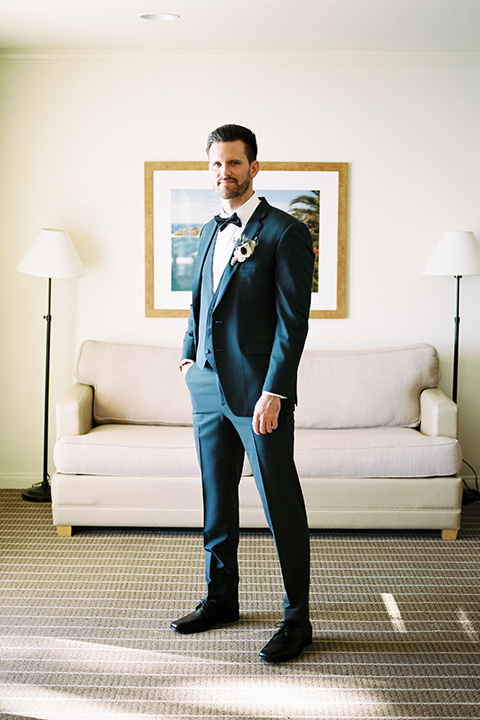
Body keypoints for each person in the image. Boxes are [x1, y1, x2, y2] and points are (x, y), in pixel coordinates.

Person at [171, 124, 314, 663]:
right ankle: (220, 598)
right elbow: (198, 300)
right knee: (216, 500)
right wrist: (189, 354)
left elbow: (291, 322)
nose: (223, 173)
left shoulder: (283, 232)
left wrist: (276, 390)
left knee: (280, 503)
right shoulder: (209, 230)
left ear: (254, 167)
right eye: (215, 164)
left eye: (233, 163)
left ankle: (297, 620)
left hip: (260, 396)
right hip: (206, 386)